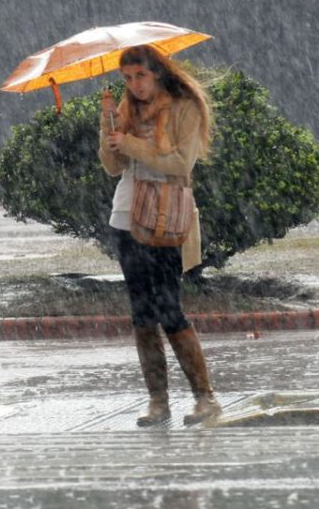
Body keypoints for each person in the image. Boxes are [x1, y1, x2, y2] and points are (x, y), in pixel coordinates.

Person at [98, 44, 221, 427]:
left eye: (140, 76)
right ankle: (158, 401)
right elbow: (113, 168)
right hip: (126, 218)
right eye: (127, 78)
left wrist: (132, 143)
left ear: (157, 73)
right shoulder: (125, 109)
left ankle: (205, 398)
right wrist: (108, 130)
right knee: (142, 313)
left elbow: (180, 164)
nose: (134, 85)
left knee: (170, 308)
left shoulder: (184, 107)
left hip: (166, 218)